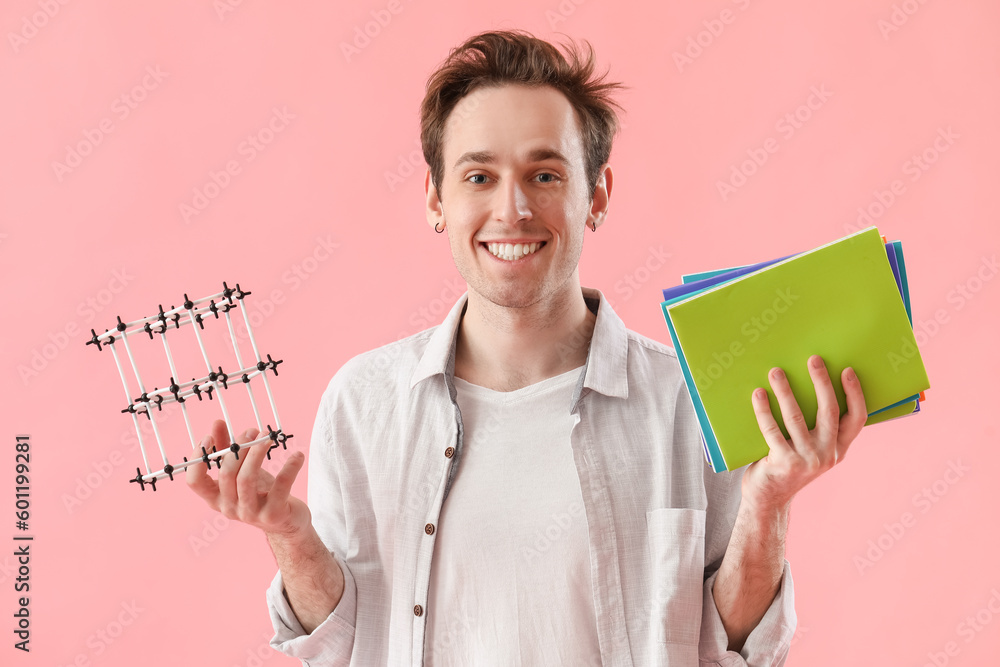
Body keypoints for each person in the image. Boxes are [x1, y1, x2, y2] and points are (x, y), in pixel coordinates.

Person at [187, 29, 868, 666]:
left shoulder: (690, 400)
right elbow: (341, 646)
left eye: (545, 174)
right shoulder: (363, 402)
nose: (512, 209)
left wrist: (769, 503)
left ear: (596, 194)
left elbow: (731, 649)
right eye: (479, 176)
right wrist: (289, 533)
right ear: (435, 199)